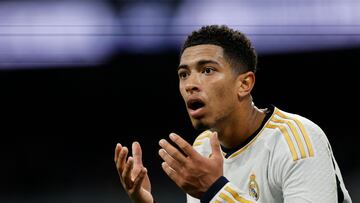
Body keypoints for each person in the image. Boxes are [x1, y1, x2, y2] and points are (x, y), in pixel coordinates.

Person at [114, 25, 352, 203]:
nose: (190, 84)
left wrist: (215, 191)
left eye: (207, 70)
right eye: (184, 74)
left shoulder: (298, 139)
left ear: (244, 84)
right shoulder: (203, 149)